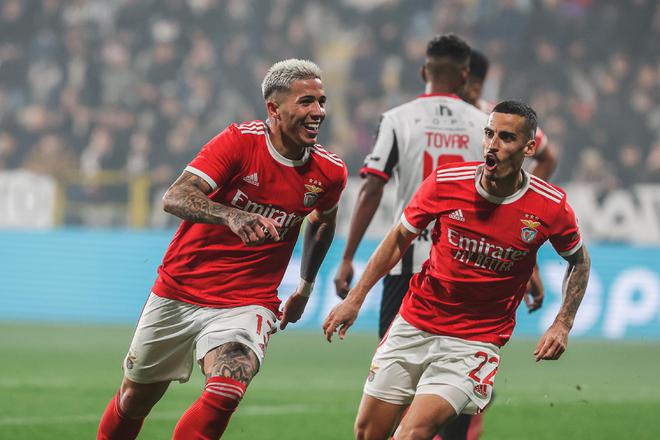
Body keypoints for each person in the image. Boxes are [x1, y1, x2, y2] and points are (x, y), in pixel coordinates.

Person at [97, 59, 347, 440]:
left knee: (229, 386)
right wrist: (231, 216)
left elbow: (323, 220)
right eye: (306, 102)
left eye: (321, 101)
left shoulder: (329, 172)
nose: (318, 112)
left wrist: (306, 287)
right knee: (134, 399)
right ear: (274, 108)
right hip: (180, 289)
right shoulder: (239, 142)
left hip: (248, 301)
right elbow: (175, 196)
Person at [323, 101, 591, 440]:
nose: (493, 144)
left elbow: (579, 260)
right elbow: (398, 239)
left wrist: (562, 323)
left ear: (529, 148)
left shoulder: (550, 206)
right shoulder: (446, 182)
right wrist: (356, 298)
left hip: (474, 342)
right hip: (415, 322)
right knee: (367, 432)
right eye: (489, 134)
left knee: (412, 434)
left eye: (506, 137)